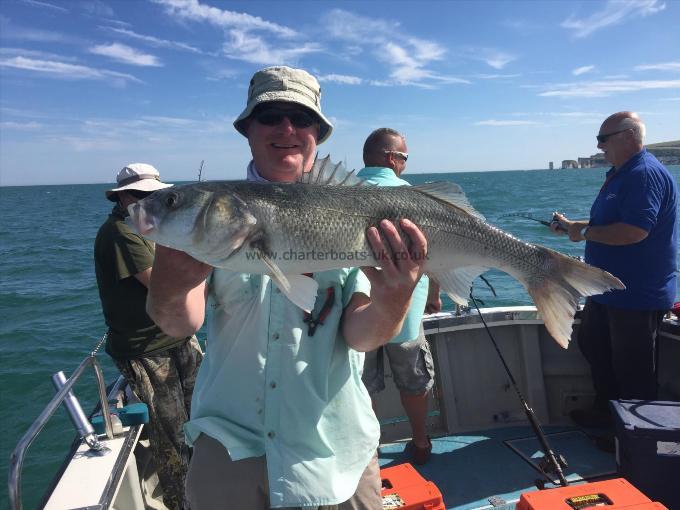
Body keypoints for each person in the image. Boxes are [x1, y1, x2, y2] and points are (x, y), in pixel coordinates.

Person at [146, 66, 428, 509]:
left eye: (302, 118)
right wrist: (166, 283)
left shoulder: (355, 210)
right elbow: (181, 322)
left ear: (318, 132)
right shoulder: (213, 216)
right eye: (271, 115)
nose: (287, 129)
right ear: (247, 129)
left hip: (333, 452)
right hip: (230, 447)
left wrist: (395, 297)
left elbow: (361, 336)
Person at [550, 112, 677, 430]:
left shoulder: (643, 174)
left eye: (603, 139)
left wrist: (585, 231)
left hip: (635, 293)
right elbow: (611, 224)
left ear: (629, 136)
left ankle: (633, 437)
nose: (598, 146)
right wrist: (572, 228)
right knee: (593, 345)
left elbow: (635, 231)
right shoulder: (621, 173)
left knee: (632, 370)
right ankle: (606, 414)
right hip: (605, 289)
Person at [94, 163, 204, 510]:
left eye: (154, 194)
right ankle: (181, 503)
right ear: (123, 198)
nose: (147, 201)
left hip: (178, 338)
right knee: (170, 436)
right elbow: (161, 283)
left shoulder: (156, 228)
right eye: (139, 195)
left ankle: (204, 491)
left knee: (201, 419)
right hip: (147, 350)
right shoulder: (122, 233)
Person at [357, 128, 441, 465]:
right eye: (404, 157)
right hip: (405, 313)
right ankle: (420, 442)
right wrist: (434, 295)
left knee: (363, 387)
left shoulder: (340, 192)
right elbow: (432, 255)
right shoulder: (416, 198)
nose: (405, 164)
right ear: (392, 159)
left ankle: (370, 451)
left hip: (357, 313)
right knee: (414, 381)